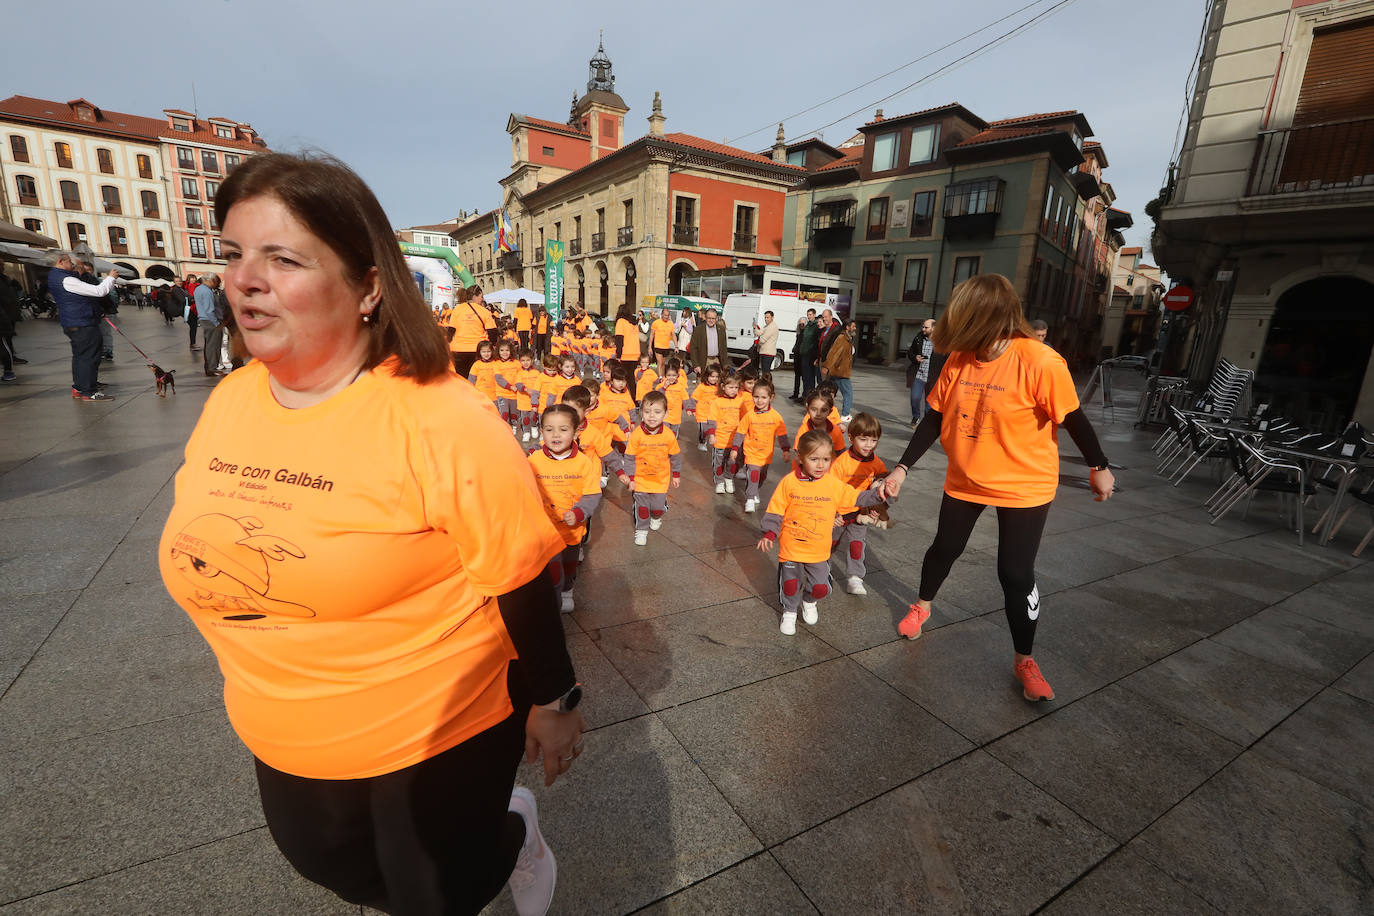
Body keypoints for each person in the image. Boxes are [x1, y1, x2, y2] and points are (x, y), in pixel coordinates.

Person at [158, 152, 583, 916]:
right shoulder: (233, 399)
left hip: (433, 728)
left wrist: (555, 699)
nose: (244, 279)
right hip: (277, 719)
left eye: (282, 259)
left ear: (368, 287)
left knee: (433, 895)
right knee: (328, 865)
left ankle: (512, 838)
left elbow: (519, 576)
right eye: (232, 255)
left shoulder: (442, 416)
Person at [882, 274, 1115, 703]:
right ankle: (922, 605)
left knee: (1015, 573)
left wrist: (1099, 466)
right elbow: (934, 417)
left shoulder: (1041, 361)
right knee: (943, 549)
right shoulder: (959, 359)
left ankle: (1024, 659)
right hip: (966, 479)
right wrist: (901, 468)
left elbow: (1074, 418)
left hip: (1024, 486)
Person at [757, 429, 884, 635]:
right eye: (814, 459)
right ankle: (789, 612)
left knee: (821, 588)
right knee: (790, 585)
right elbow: (776, 509)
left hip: (818, 550)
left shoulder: (833, 484)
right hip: (792, 547)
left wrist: (879, 495)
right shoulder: (789, 482)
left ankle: (809, 601)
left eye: (826, 459)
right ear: (801, 457)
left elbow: (857, 498)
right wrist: (769, 533)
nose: (820, 465)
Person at [529, 404, 602, 613]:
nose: (555, 435)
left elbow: (592, 493)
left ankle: (567, 589)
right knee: (552, 568)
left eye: (563, 429)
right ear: (541, 431)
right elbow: (524, 489)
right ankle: (554, 596)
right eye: (549, 429)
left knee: (569, 566)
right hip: (545, 530)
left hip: (572, 530)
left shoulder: (583, 463)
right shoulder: (533, 460)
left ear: (576, 432)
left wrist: (579, 513)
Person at [830, 413, 888, 595]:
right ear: (850, 438)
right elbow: (829, 490)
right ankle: (821, 570)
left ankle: (855, 578)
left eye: (873, 440)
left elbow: (881, 491)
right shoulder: (841, 463)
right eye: (863, 439)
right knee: (828, 545)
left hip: (860, 515)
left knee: (857, 546)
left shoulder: (877, 464)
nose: (868, 445)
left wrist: (877, 510)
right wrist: (833, 513)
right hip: (839, 513)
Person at [49, 252, 119, 401]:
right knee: (89, 357)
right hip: (82, 322)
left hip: (74, 322)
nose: (73, 266)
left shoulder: (55, 276)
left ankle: (79, 388)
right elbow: (99, 291)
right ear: (61, 262)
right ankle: (89, 391)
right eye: (70, 263)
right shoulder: (66, 279)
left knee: (80, 357)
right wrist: (111, 277)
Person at [618, 389, 681, 546]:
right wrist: (631, 478)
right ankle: (641, 530)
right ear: (641, 413)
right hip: (641, 479)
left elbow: (675, 456)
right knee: (643, 508)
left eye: (657, 412)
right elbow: (630, 458)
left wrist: (677, 474)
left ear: (665, 415)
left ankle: (657, 515)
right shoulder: (637, 435)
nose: (652, 416)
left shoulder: (668, 435)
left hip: (660, 480)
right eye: (647, 411)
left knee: (657, 508)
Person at [728, 378, 789, 513]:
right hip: (751, 453)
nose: (759, 401)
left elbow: (782, 434)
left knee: (761, 476)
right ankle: (749, 498)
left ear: (771, 397)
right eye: (756, 397)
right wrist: (734, 449)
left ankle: (754, 491)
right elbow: (740, 433)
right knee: (754, 473)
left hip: (766, 454)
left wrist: (785, 450)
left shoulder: (776, 416)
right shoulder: (749, 415)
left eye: (763, 397)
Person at [703, 370, 745, 494]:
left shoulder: (740, 401)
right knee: (719, 463)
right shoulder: (717, 402)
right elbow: (711, 419)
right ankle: (720, 481)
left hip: (735, 441)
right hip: (720, 440)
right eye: (731, 387)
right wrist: (711, 434)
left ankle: (728, 478)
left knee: (733, 462)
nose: (734, 390)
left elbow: (745, 419)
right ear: (723, 386)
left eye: (736, 387)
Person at [451, 285, 496, 378]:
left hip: (458, 349)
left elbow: (450, 331)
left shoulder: (457, 310)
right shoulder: (485, 311)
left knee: (462, 379)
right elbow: (493, 333)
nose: (482, 299)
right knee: (477, 379)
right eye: (481, 297)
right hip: (478, 350)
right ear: (475, 296)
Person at [823, 319, 855, 421]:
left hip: (839, 370)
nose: (855, 328)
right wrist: (826, 366)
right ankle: (845, 415)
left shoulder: (847, 338)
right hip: (840, 372)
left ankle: (824, 411)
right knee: (848, 394)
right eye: (853, 326)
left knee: (830, 393)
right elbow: (834, 353)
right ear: (847, 327)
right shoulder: (842, 338)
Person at [907, 318, 936, 426]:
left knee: (929, 403)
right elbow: (910, 352)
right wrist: (915, 357)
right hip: (919, 375)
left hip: (932, 377)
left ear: (934, 328)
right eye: (923, 326)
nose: (923, 329)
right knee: (915, 398)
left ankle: (926, 423)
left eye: (926, 327)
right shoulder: (919, 338)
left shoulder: (941, 342)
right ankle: (916, 416)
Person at [197, 274, 226, 377]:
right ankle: (212, 368)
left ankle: (209, 367)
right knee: (214, 346)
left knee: (209, 345)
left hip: (205, 320)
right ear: (211, 280)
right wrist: (216, 323)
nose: (217, 285)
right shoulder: (207, 292)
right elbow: (209, 309)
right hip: (211, 321)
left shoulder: (199, 289)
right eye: (216, 282)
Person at [688, 307, 728, 376]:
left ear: (716, 319)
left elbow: (724, 349)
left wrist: (725, 365)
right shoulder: (698, 330)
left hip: (717, 360)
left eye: (713, 318)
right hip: (703, 361)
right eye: (709, 318)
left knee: (716, 384)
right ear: (705, 318)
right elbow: (693, 348)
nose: (711, 320)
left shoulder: (721, 330)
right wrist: (696, 365)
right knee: (702, 384)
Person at [791, 308, 820, 401]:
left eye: (811, 315)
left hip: (810, 354)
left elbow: (815, 341)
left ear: (814, 315)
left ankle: (809, 396)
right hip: (803, 354)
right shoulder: (808, 326)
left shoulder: (815, 326)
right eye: (808, 315)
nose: (809, 316)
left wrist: (812, 352)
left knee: (810, 377)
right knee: (804, 377)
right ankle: (804, 395)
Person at [650, 308, 675, 374]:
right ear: (661, 315)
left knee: (663, 363)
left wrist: (676, 346)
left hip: (666, 346)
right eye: (665, 315)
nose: (666, 317)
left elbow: (673, 335)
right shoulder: (656, 323)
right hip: (658, 345)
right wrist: (650, 347)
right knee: (660, 362)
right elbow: (652, 335)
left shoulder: (670, 324)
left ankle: (663, 376)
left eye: (668, 315)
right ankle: (660, 377)